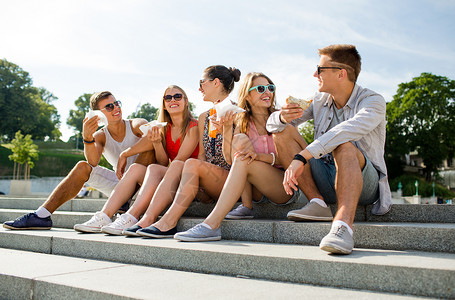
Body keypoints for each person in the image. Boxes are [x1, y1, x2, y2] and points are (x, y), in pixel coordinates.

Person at [266, 44, 392, 255]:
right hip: (324, 177)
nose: (315, 74)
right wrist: (281, 117)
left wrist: (302, 156)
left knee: (345, 145)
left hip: (364, 183)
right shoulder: (318, 99)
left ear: (341, 73)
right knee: (283, 132)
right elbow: (271, 126)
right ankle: (317, 203)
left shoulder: (373, 101)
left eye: (320, 69)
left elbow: (345, 131)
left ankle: (342, 228)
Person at [174, 72, 299, 241]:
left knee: (243, 156)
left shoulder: (280, 118)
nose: (267, 92)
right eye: (261, 88)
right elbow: (230, 159)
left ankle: (211, 224)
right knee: (239, 141)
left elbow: (298, 156)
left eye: (270, 88)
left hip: (284, 185)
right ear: (247, 95)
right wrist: (225, 129)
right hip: (256, 188)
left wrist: (260, 157)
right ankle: (245, 206)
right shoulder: (243, 122)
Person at [3, 91, 153, 230]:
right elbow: (93, 162)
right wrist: (87, 138)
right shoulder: (101, 135)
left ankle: (124, 203)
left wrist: (125, 154)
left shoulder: (136, 124)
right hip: (120, 187)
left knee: (149, 147)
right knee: (82, 166)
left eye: (117, 103)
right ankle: (41, 215)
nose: (116, 108)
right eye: (109, 106)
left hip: (145, 183)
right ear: (98, 114)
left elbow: (152, 138)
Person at [131, 65, 242, 238]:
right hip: (208, 182)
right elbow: (202, 156)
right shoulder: (204, 117)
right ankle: (147, 218)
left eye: (202, 83)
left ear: (216, 83)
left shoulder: (237, 112)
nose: (199, 88)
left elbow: (238, 155)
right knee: (176, 164)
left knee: (189, 163)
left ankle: (169, 222)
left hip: (231, 181)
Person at [73, 85, 199, 234]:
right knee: (137, 168)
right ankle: (104, 216)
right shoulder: (165, 128)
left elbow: (178, 162)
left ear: (186, 101)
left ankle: (133, 215)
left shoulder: (193, 126)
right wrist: (157, 143)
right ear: (164, 104)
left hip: (190, 180)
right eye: (168, 98)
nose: (173, 100)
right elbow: (164, 162)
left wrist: (125, 154)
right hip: (174, 175)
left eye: (178, 96)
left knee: (159, 167)